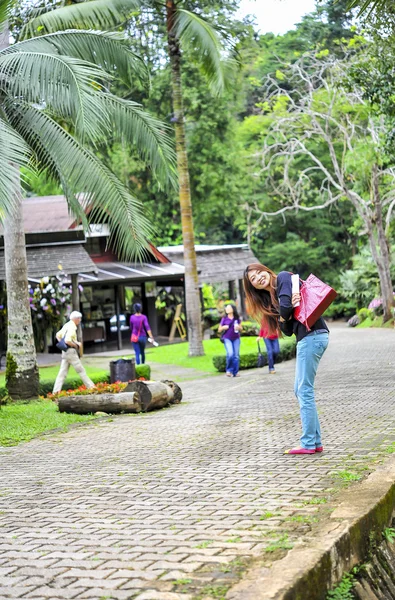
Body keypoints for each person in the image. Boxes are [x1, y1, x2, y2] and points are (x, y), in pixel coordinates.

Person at [244, 264, 329, 455]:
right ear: (253, 287)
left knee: (304, 390)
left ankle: (308, 443)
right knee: (299, 390)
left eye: (259, 272)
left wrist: (286, 310)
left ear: (266, 271)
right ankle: (315, 441)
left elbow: (286, 308)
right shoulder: (272, 299)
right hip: (307, 338)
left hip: (312, 336)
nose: (258, 278)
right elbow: (288, 330)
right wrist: (285, 314)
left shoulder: (283, 278)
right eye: (253, 279)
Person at [53, 311, 94, 394]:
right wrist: (75, 345)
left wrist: (62, 344)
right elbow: (68, 340)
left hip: (65, 352)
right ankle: (92, 387)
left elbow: (58, 335)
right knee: (81, 370)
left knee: (62, 373)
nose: (80, 320)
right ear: (76, 319)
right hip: (71, 351)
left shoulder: (67, 325)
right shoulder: (72, 327)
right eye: (79, 318)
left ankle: (55, 392)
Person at [218, 303, 243, 378]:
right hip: (227, 338)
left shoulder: (237, 318)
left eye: (228, 308)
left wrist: (238, 327)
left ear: (233, 309)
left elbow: (241, 329)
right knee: (230, 354)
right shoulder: (224, 319)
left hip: (236, 338)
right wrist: (223, 327)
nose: (227, 309)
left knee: (236, 356)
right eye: (226, 308)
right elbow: (219, 329)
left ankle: (235, 372)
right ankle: (229, 370)